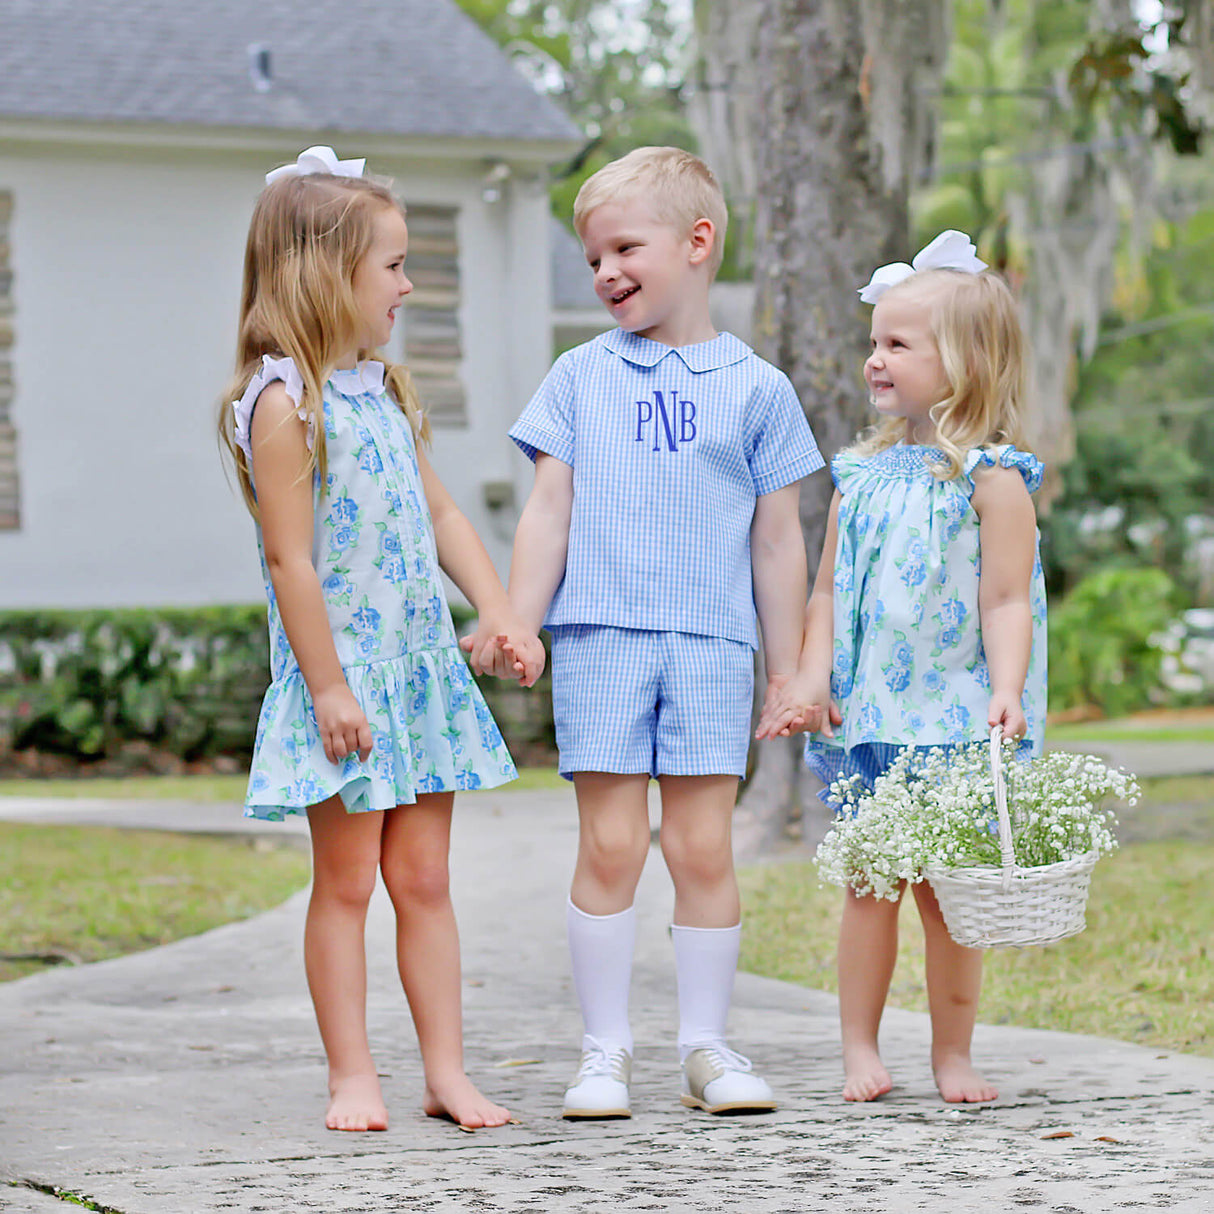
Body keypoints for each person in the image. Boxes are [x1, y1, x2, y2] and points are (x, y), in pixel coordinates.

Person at [216, 146, 543, 1133]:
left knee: (425, 879)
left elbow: (441, 515)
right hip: (347, 683)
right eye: (393, 265)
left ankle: (445, 1071)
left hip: (418, 673)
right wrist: (326, 687)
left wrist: (497, 608)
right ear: (326, 270)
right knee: (349, 880)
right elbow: (291, 563)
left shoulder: (382, 390)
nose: (409, 284)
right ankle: (351, 1074)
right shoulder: (285, 402)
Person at [496, 146, 824, 1118]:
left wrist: (789, 668)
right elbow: (546, 509)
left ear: (696, 242)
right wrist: (519, 612)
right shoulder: (575, 377)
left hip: (712, 646)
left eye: (622, 248)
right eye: (591, 256)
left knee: (700, 847)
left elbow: (777, 544)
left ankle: (706, 1046)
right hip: (600, 638)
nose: (603, 272)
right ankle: (603, 1050)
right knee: (608, 844)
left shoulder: (757, 390)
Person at [757, 231, 1048, 1105]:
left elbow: (1004, 599)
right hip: (875, 718)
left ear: (963, 362)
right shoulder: (861, 477)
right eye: (873, 340)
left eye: (897, 343)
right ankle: (858, 1048)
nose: (874, 358)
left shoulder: (993, 482)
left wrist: (1005, 688)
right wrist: (810, 680)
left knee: (951, 901)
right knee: (868, 887)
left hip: (955, 716)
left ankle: (952, 1054)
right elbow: (824, 597)